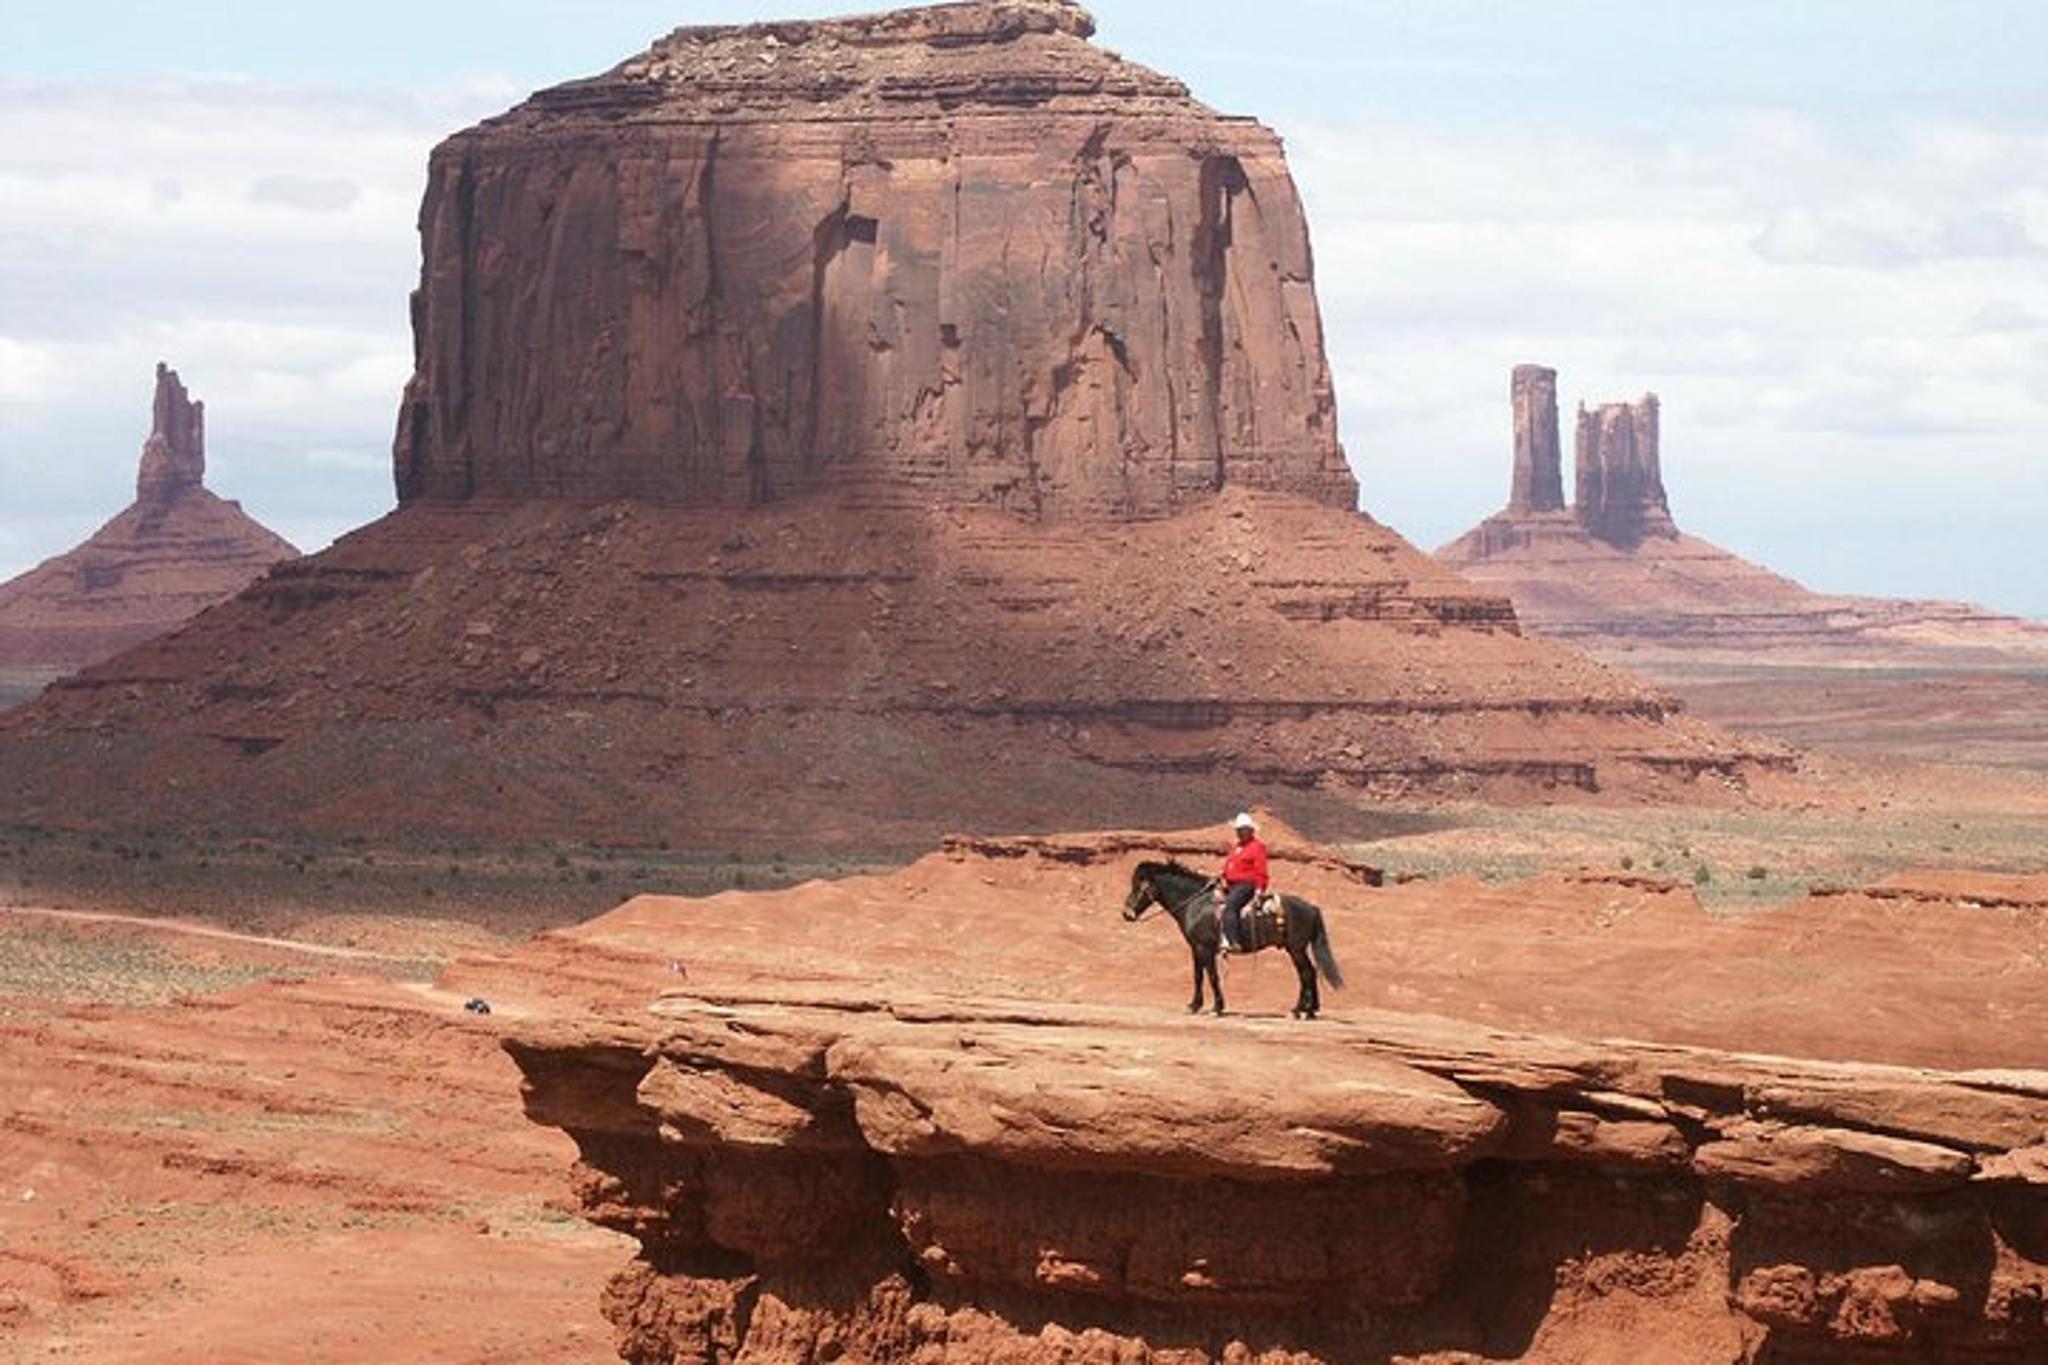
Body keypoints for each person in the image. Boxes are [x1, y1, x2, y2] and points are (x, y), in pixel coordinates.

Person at [1217, 812, 1269, 953]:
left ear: (1250, 831)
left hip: (1246, 885)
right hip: (1231, 884)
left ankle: (1233, 941)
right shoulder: (1237, 847)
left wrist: (1259, 889)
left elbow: (1261, 870)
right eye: (1238, 830)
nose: (1240, 833)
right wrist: (1222, 874)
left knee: (1231, 906)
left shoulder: (1257, 847)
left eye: (1243, 830)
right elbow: (1229, 865)